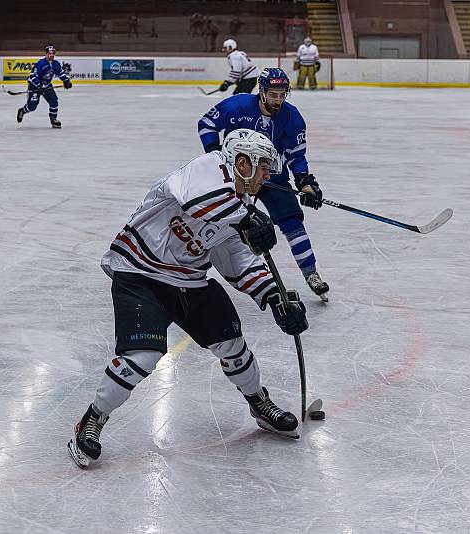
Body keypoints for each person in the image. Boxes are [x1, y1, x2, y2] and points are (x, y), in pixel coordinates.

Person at [67, 129, 309, 469]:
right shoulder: (207, 169)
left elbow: (237, 261)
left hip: (190, 280)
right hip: (140, 272)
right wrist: (246, 219)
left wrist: (273, 297)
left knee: (233, 345)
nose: (268, 175)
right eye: (264, 167)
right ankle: (92, 419)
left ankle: (259, 402)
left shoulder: (240, 208)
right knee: (142, 356)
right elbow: (196, 199)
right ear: (242, 163)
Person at [197, 68, 330, 301]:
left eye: (282, 95)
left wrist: (304, 181)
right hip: (237, 177)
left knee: (292, 222)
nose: (277, 100)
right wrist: (215, 155)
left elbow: (296, 155)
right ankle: (195, 269)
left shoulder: (292, 117)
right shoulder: (237, 106)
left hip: (272, 177)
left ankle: (311, 274)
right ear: (262, 91)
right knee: (221, 222)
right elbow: (206, 123)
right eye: (273, 94)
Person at [16, 45, 72, 129]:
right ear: (46, 54)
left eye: (53, 53)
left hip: (46, 86)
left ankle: (53, 120)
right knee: (32, 107)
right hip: (34, 86)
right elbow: (32, 76)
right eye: (50, 53)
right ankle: (22, 111)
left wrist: (66, 81)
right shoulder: (40, 64)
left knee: (54, 102)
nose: (52, 55)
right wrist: (39, 85)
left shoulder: (55, 64)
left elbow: (60, 73)